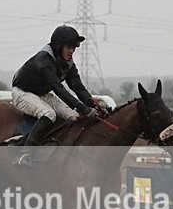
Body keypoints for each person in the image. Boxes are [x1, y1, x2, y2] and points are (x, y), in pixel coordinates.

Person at [10, 25, 105, 166]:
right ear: (58, 46)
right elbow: (59, 89)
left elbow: (77, 87)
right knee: (49, 114)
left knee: (73, 116)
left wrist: (93, 104)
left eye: (74, 47)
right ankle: (24, 154)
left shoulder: (67, 63)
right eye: (69, 47)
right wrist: (83, 108)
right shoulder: (44, 59)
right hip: (22, 93)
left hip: (42, 94)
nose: (72, 51)